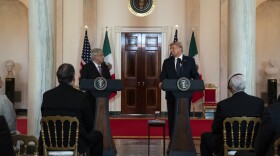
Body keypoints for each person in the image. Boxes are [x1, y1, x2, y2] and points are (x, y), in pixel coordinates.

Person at [40, 63, 103, 156]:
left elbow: (44, 117)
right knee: (98, 135)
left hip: (50, 141)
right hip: (75, 142)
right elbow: (89, 123)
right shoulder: (82, 97)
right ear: (73, 78)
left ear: (58, 78)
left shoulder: (47, 95)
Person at [200, 73, 264, 156]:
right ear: (244, 86)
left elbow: (215, 129)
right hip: (252, 146)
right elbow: (263, 126)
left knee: (205, 137)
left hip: (228, 147)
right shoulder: (258, 102)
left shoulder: (223, 105)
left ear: (231, 88)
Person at [159, 41, 200, 138]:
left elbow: (195, 75)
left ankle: (185, 138)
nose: (172, 50)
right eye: (171, 49)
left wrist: (197, 83)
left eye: (173, 48)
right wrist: (161, 82)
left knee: (184, 117)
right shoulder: (167, 62)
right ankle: (172, 139)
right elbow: (163, 76)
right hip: (171, 96)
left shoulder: (190, 60)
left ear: (180, 49)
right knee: (172, 118)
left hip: (186, 96)